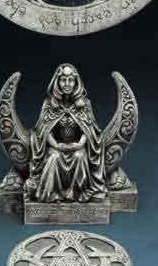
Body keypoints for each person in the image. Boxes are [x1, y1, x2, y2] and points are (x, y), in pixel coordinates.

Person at [25, 64, 107, 203]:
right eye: (63, 80)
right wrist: (56, 145)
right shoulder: (49, 105)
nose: (67, 84)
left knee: (80, 156)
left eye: (71, 80)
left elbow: (89, 130)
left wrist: (80, 144)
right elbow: (44, 131)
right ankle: (52, 194)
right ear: (57, 82)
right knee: (54, 157)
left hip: (77, 146)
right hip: (56, 146)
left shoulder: (85, 104)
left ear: (76, 82)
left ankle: (76, 194)